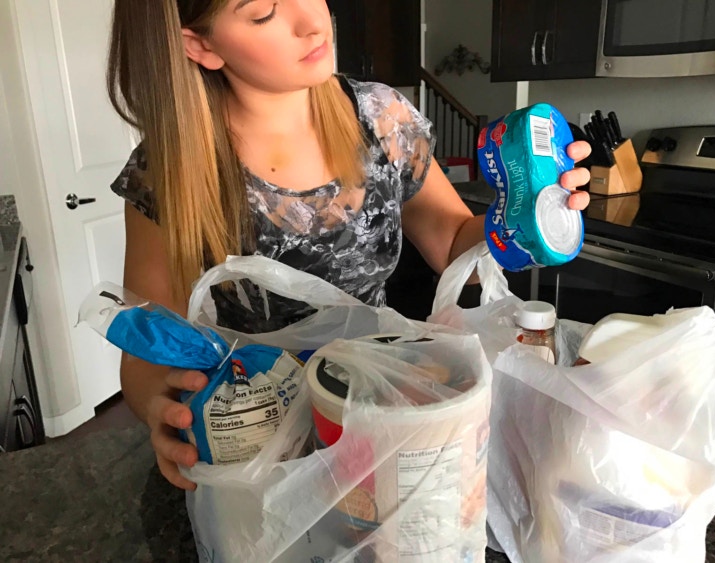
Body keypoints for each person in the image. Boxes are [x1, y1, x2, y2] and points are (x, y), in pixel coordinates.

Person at [107, 0, 592, 491]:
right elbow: (147, 336)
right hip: (254, 446)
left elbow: (451, 246)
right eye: (263, 13)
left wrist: (529, 213)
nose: (312, 21)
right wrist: (158, 409)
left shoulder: (381, 119)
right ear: (202, 45)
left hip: (377, 420)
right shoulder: (168, 168)